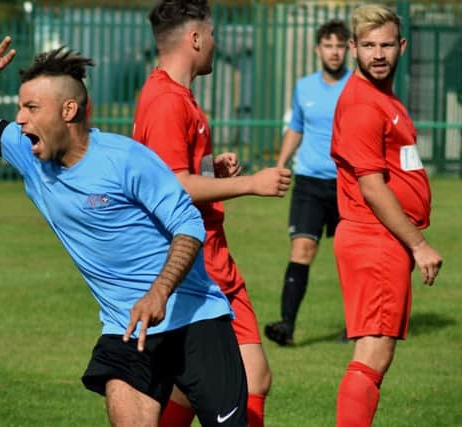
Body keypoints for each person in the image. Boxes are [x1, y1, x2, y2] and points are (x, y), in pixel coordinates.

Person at [0, 37, 249, 427]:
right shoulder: (28, 151)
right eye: (20, 107)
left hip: (197, 318)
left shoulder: (125, 160)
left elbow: (188, 224)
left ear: (69, 110)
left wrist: (158, 292)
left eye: (32, 108)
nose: (20, 119)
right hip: (126, 325)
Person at [132, 2, 292, 426]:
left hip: (208, 255)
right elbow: (174, 185)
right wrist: (250, 184)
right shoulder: (168, 100)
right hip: (197, 261)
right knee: (249, 379)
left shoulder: (176, 96)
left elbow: (176, 174)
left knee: (198, 386)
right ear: (196, 38)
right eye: (214, 34)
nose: (217, 44)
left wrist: (210, 171)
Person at [330, 5, 443, 426]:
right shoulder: (362, 103)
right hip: (375, 237)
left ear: (402, 46)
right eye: (370, 45)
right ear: (354, 48)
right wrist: (418, 244)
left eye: (387, 45)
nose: (379, 54)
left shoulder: (382, 96)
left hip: (383, 239)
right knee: (373, 353)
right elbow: (373, 187)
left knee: (378, 352)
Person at [264, 19, 351, 346]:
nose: (334, 52)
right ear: (318, 49)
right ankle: (286, 325)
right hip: (309, 183)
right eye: (328, 45)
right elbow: (297, 127)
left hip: (347, 184)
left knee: (351, 256)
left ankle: (355, 326)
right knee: (302, 248)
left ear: (348, 50)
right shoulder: (304, 87)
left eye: (340, 46)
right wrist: (280, 163)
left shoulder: (356, 86)